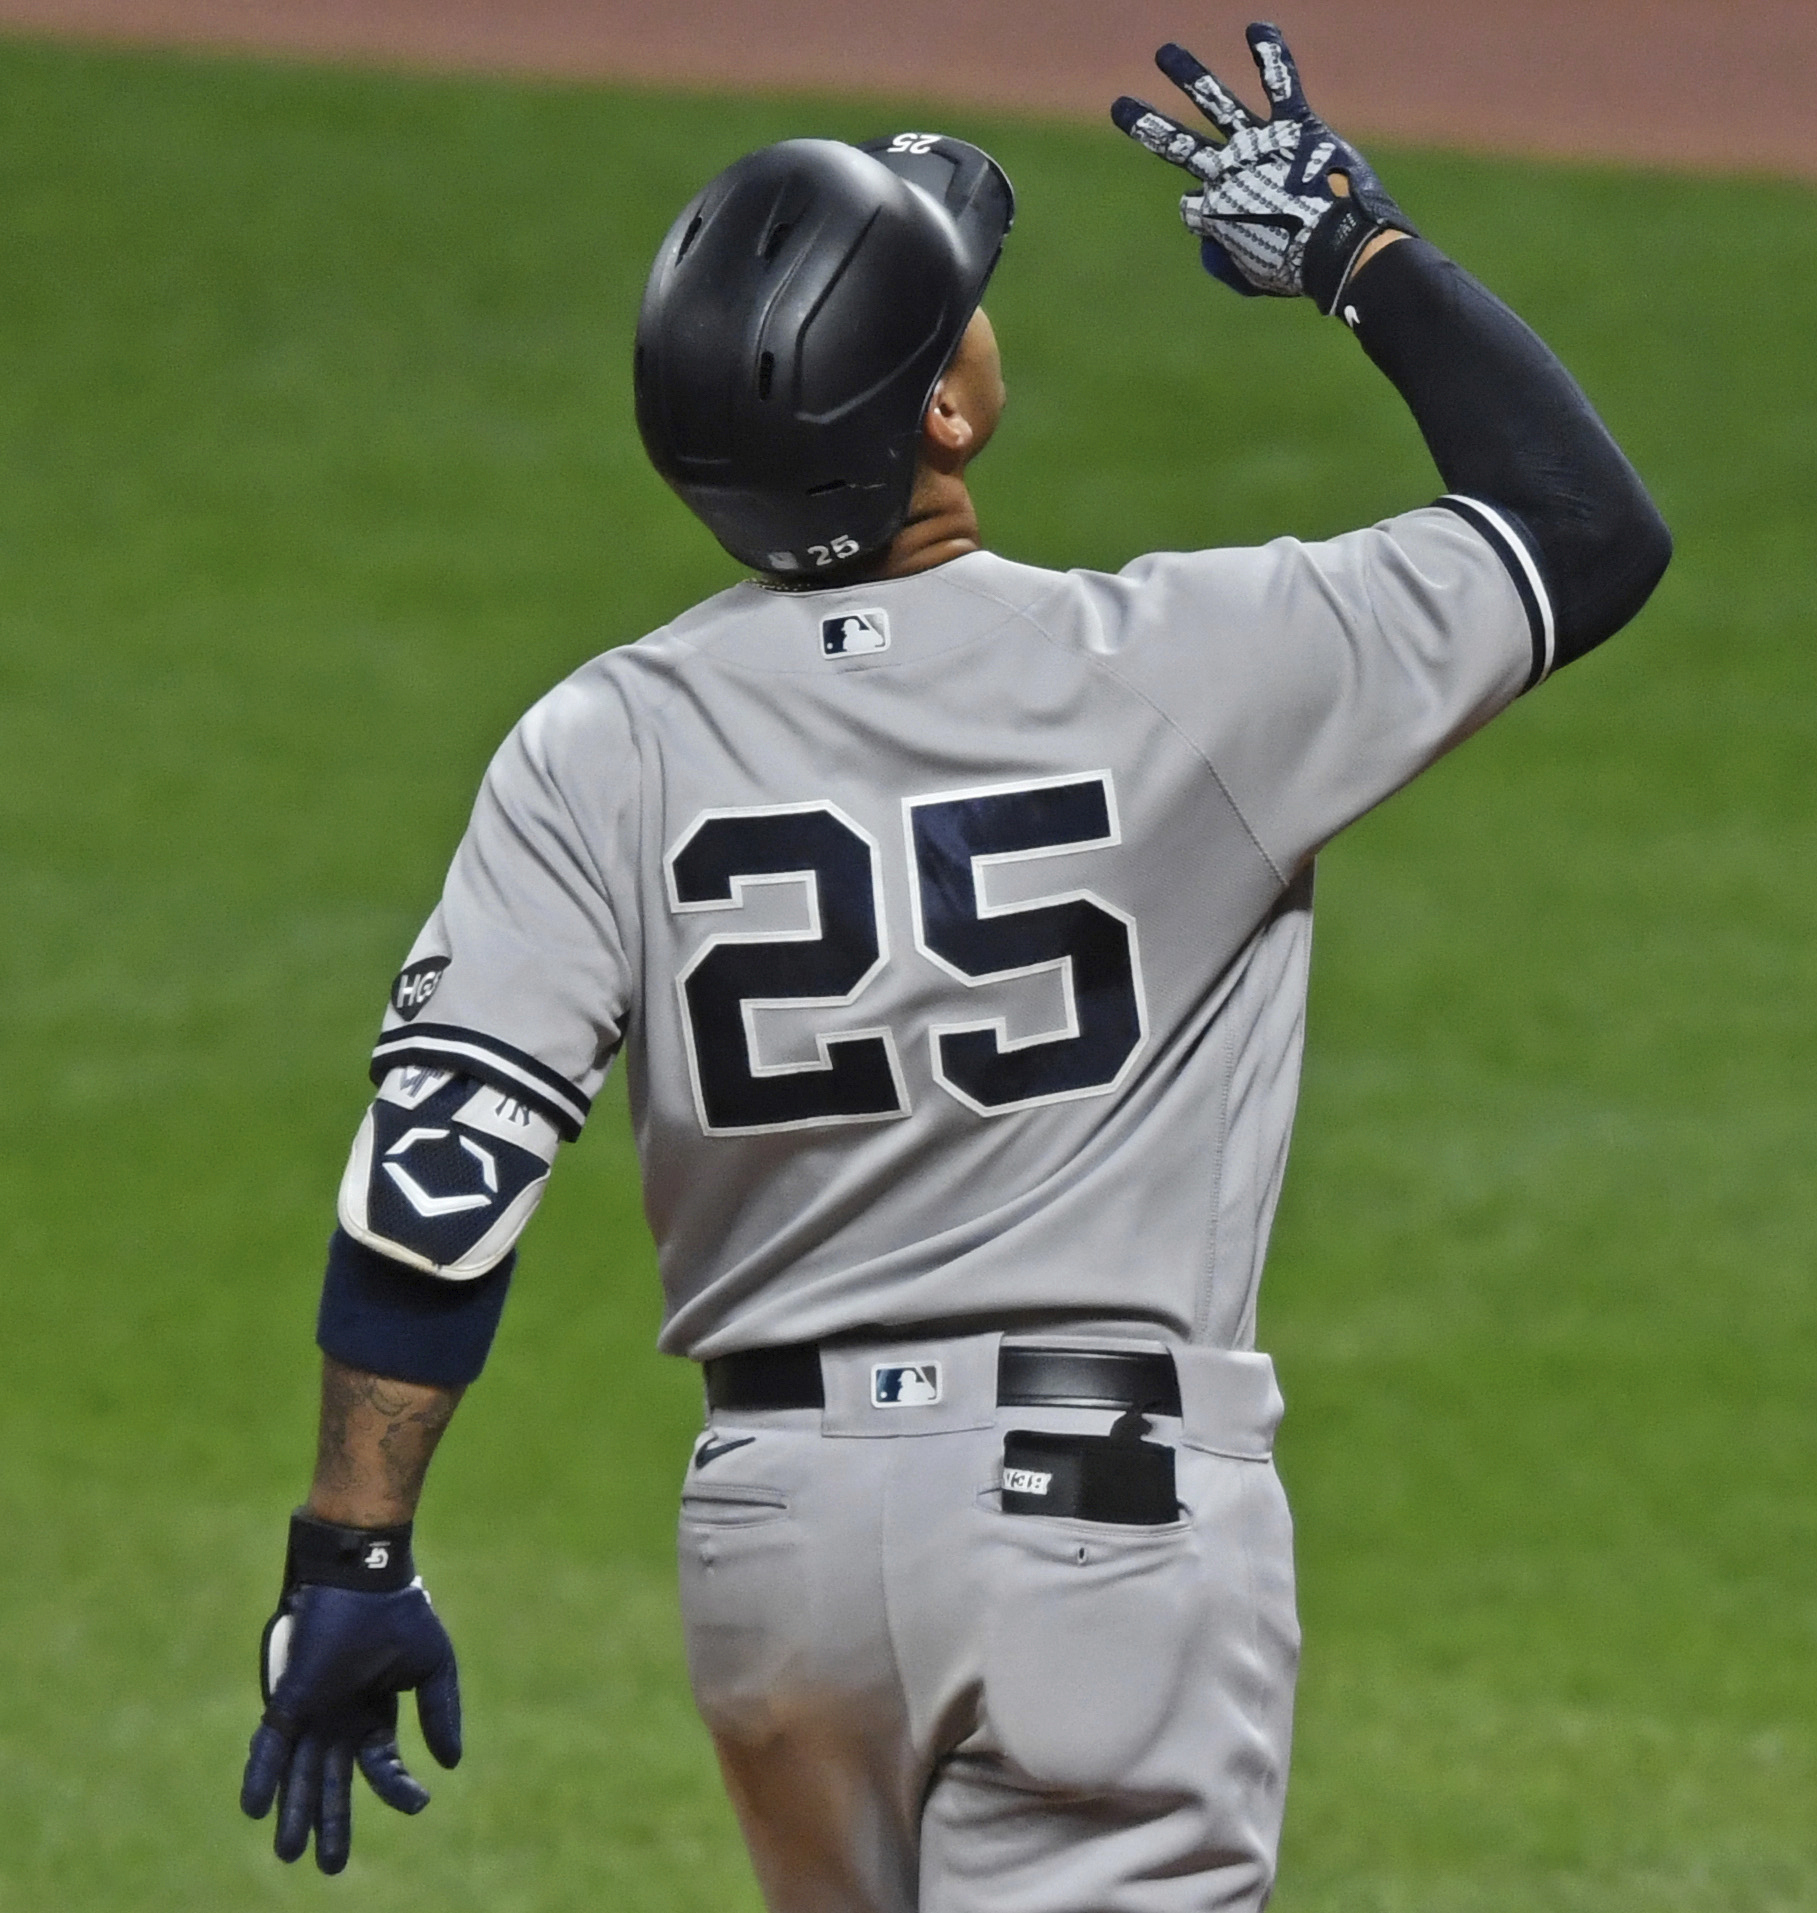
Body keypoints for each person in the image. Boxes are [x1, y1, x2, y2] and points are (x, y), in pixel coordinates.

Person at [238, 22, 1668, 1910]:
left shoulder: (601, 742)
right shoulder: (1190, 668)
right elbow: (1582, 526)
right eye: (953, 309)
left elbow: (439, 1181)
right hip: (1101, 1526)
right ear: (944, 417)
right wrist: (1355, 252)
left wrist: (350, 1549)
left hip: (777, 1547)